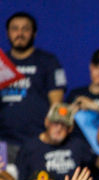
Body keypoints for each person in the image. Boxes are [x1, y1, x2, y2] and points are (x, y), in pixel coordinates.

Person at [0, 12, 66, 153]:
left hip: (38, 140)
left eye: (25, 29)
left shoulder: (48, 62)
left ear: (34, 33)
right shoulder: (1, 62)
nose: (20, 33)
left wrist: (51, 136)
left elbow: (57, 104)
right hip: (4, 141)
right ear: (7, 33)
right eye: (15, 29)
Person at [15, 103, 95, 180]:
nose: (59, 129)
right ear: (47, 122)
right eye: (56, 123)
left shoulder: (78, 145)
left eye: (64, 125)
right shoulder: (29, 148)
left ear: (70, 129)